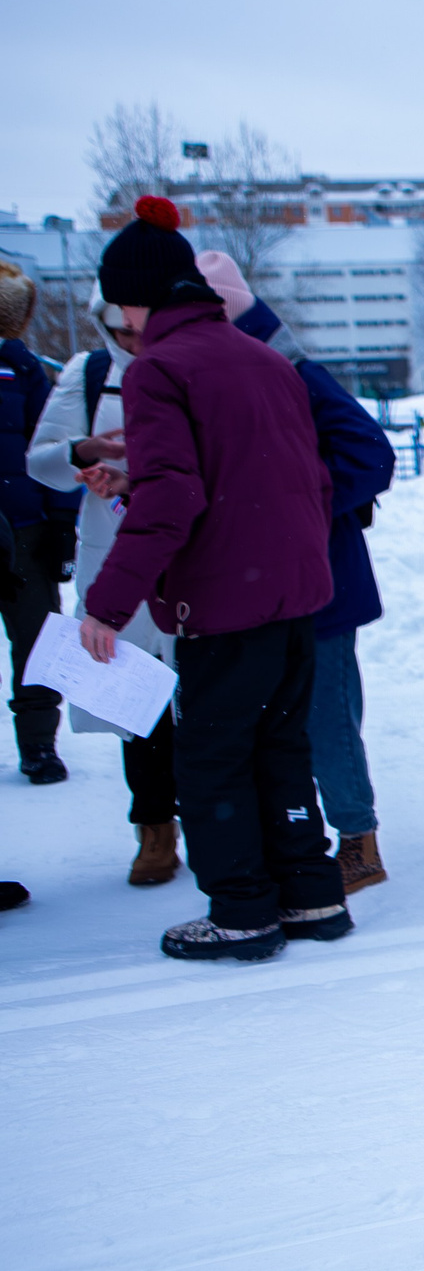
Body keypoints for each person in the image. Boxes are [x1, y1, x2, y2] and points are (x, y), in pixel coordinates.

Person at [76, 198, 345, 960]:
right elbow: (281, 477)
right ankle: (310, 894)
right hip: (292, 595)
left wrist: (106, 603)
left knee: (213, 756)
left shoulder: (158, 367)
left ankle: (241, 911)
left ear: (133, 298)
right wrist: (135, 480)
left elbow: (176, 496)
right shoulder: (260, 356)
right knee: (282, 745)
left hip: (225, 603)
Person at [200, 252, 400, 895]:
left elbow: (371, 455)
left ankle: (358, 842)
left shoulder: (291, 370)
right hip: (278, 584)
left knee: (328, 717)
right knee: (288, 717)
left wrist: (291, 508)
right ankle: (303, 832)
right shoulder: (237, 367)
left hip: (325, 582)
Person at [28, 288, 185, 881]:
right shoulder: (88, 373)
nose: (132, 343)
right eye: (120, 332)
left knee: (199, 696)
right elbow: (40, 460)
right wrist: (83, 451)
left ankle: (212, 816)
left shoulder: (191, 362)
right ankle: (154, 828)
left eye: (139, 328)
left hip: (185, 555)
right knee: (133, 700)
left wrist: (137, 474)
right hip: (114, 555)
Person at [1, 259, 78, 785]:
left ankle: (38, 746)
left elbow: (49, 448)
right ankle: (38, 745)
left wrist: (61, 523)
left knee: (37, 637)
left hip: (26, 529)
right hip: (22, 521)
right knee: (36, 635)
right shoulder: (25, 364)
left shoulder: (24, 367)